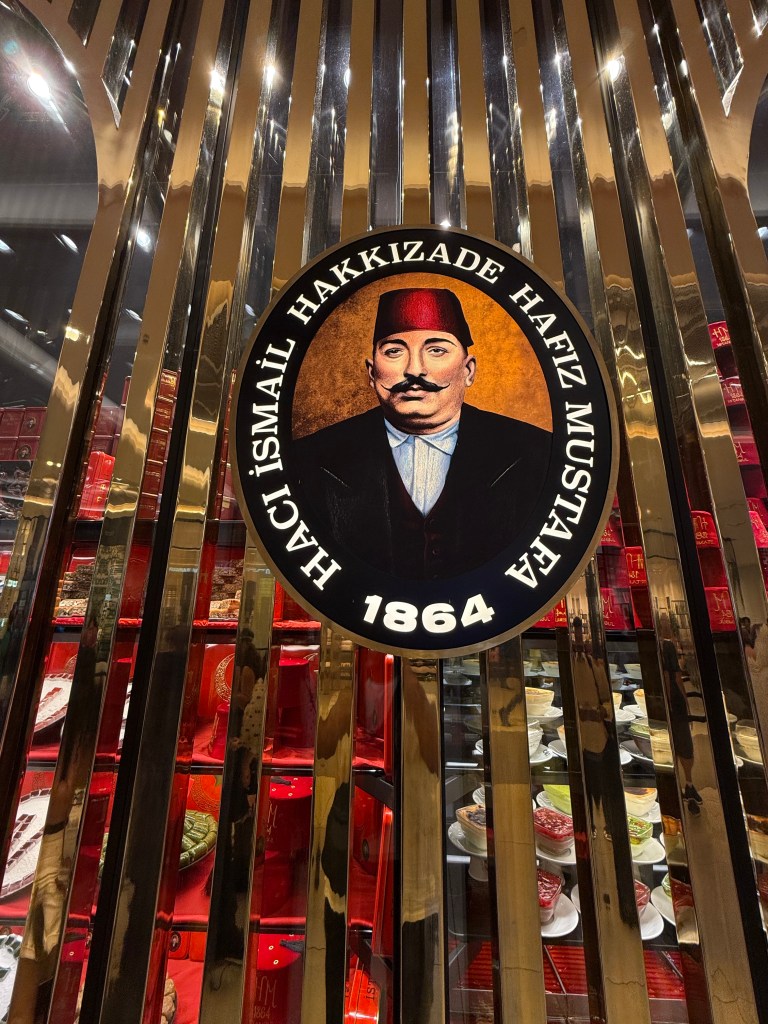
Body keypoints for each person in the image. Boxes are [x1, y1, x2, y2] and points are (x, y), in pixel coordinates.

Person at [292, 287, 552, 579]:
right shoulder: (311, 458)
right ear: (371, 373)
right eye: (394, 351)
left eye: (436, 350)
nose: (414, 370)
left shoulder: (536, 451)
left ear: (468, 371)